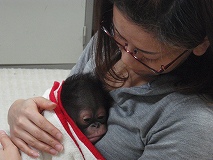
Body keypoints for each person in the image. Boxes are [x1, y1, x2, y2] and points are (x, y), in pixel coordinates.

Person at [4, 0, 213, 159]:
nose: (125, 60)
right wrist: (20, 110)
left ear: (199, 44)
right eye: (120, 37)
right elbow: (64, 107)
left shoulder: (192, 126)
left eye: (146, 55)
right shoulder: (109, 43)